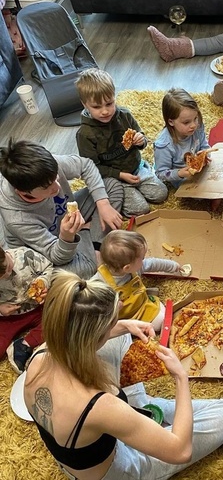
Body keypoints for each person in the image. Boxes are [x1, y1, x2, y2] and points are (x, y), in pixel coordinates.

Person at [24, 270, 223, 480]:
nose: (117, 323)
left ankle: (144, 411)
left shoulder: (41, 354)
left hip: (83, 450)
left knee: (122, 337)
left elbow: (84, 339)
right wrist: (180, 378)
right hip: (121, 470)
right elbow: (181, 451)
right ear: (92, 336)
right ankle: (147, 413)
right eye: (111, 324)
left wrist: (124, 326)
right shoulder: (101, 406)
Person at [0, 139, 123, 280]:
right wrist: (66, 237)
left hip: (67, 216)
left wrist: (103, 204)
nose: (57, 187)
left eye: (56, 178)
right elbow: (56, 256)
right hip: (47, 249)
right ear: (23, 192)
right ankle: (89, 236)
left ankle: (94, 245)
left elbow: (86, 165)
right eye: (47, 187)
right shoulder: (17, 219)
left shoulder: (46, 166)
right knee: (83, 271)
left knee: (111, 185)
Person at [75, 68, 168, 217]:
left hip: (135, 167)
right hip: (113, 179)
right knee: (140, 210)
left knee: (161, 194)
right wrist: (119, 175)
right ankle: (119, 193)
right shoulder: (85, 134)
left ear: (114, 97)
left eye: (109, 103)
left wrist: (140, 140)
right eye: (97, 107)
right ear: (84, 104)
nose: (105, 111)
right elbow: (91, 168)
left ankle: (144, 172)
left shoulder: (124, 115)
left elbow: (143, 138)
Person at [93, 230, 183, 332]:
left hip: (143, 303)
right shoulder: (100, 282)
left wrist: (173, 266)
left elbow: (153, 263)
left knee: (165, 313)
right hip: (131, 318)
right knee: (161, 322)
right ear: (127, 268)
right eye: (142, 258)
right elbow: (87, 300)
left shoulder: (133, 267)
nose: (144, 260)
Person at [0, 245, 52, 373]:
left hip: (38, 307)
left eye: (7, 267)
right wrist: (0, 309)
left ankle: (24, 344)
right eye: (1, 277)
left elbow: (48, 267)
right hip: (11, 316)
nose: (8, 274)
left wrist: (43, 281)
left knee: (56, 323)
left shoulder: (25, 255)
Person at [154, 88, 210, 188]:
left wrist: (205, 153)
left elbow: (204, 145)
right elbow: (161, 173)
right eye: (186, 122)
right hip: (182, 178)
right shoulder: (164, 145)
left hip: (201, 170)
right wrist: (179, 173)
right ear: (171, 122)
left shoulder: (197, 126)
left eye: (195, 118)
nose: (193, 125)